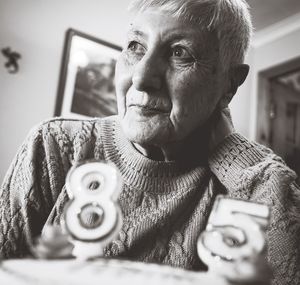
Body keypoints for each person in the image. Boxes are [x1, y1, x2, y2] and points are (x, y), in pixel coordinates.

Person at [0, 0, 299, 284]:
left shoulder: (244, 185)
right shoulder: (53, 145)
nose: (141, 77)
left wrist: (232, 150)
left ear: (230, 84)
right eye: (135, 46)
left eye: (180, 53)